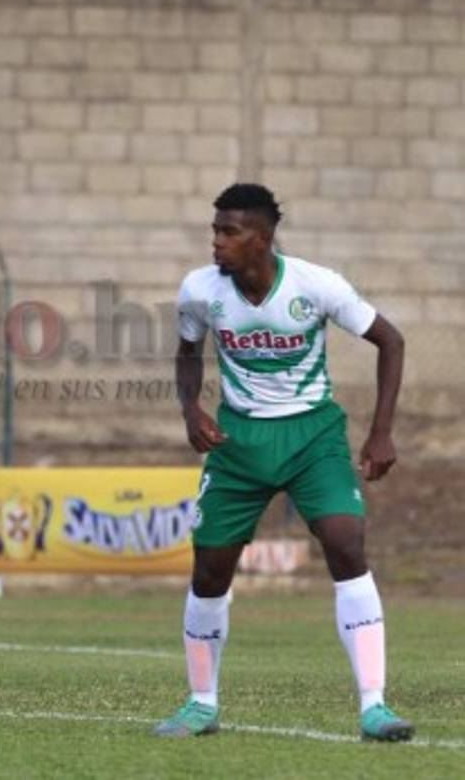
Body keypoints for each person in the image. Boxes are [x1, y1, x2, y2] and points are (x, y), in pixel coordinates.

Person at [155, 182, 413, 742]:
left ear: (263, 238)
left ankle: (375, 706)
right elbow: (186, 354)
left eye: (230, 231)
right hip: (238, 442)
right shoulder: (200, 290)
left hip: (311, 436)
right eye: (215, 229)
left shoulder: (316, 286)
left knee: (347, 543)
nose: (216, 241)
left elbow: (390, 341)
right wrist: (189, 410)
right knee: (209, 570)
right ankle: (201, 704)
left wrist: (381, 432)